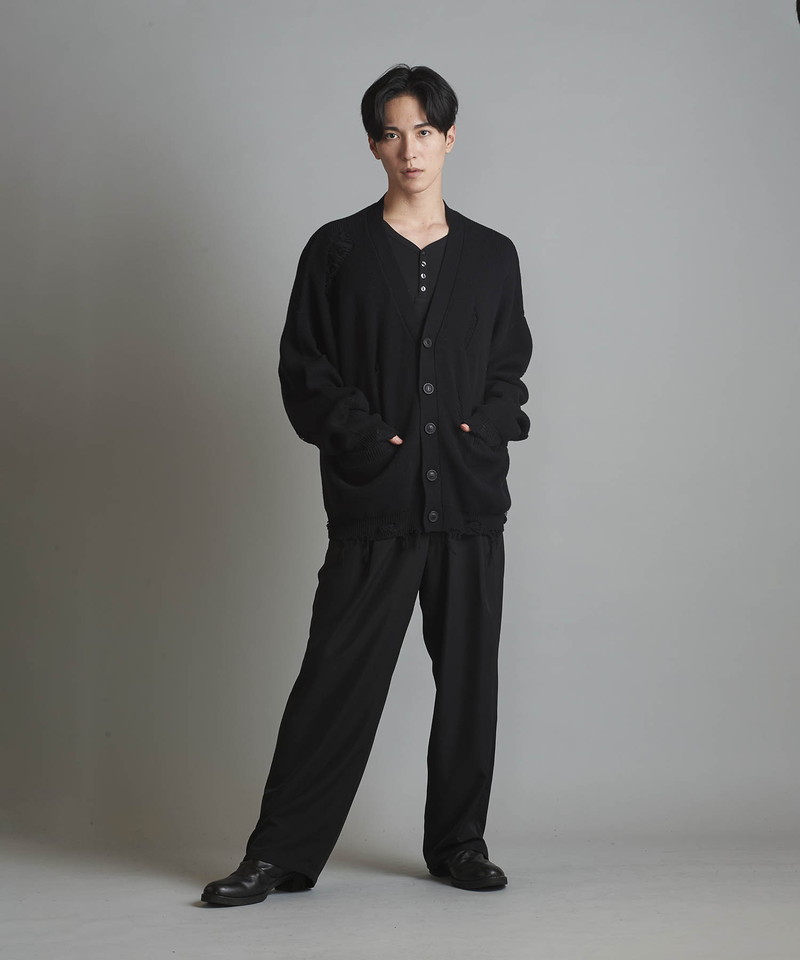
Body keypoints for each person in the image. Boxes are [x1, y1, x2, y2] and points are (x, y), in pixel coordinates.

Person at [201, 63, 532, 906]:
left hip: (468, 505)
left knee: (468, 684)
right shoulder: (337, 250)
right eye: (392, 134)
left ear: (450, 139)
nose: (409, 150)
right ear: (373, 146)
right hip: (375, 504)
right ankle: (279, 854)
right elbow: (304, 368)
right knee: (334, 681)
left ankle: (459, 844)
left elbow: (508, 369)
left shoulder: (493, 256)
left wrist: (483, 429)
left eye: (424, 132)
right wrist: (366, 438)